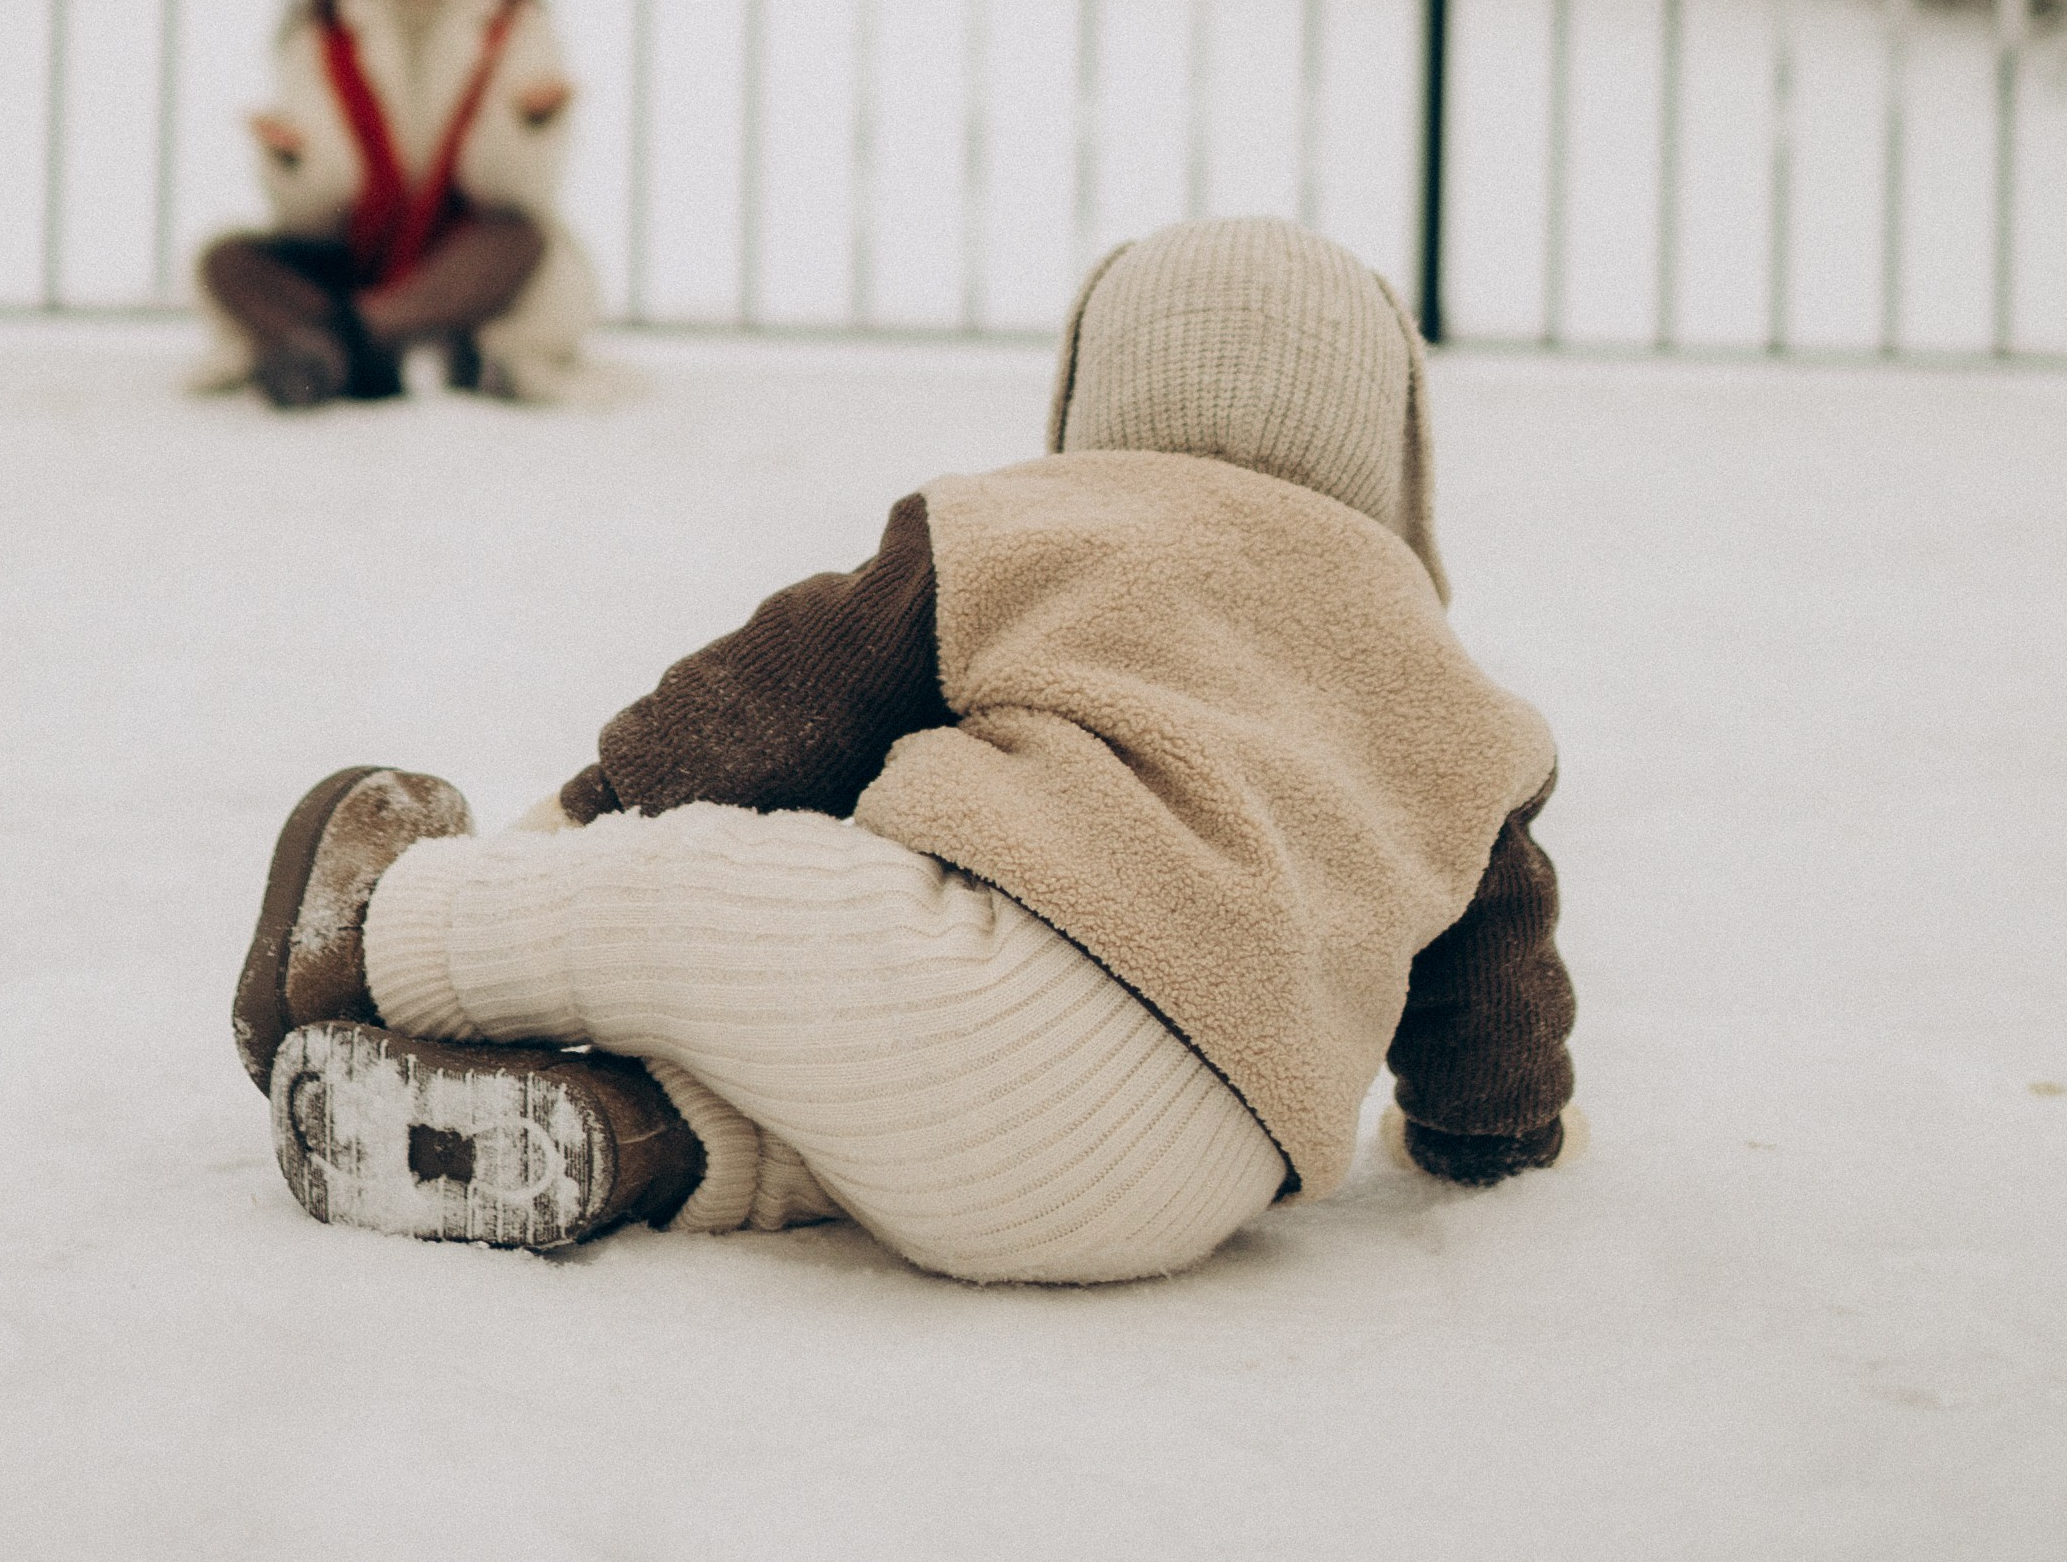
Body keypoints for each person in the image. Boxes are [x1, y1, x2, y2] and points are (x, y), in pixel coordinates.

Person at [230, 216, 1578, 1282]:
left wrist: (585, 815)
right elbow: (1495, 993)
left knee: (727, 895)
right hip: (1189, 1189)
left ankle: (383, 943)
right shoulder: (1452, 696)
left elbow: (773, 707)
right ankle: (629, 1143)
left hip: (993, 979)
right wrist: (1492, 1132)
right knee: (839, 1119)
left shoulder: (1032, 525)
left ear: (1095, 387)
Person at [198, 0, 597, 409]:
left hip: (466, 257)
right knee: (225, 261)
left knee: (521, 242)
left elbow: (516, 195)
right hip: (355, 252)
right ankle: (396, 344)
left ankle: (339, 343)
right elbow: (314, 214)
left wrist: (525, 128)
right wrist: (297, 159)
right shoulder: (326, 26)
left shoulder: (513, 21)